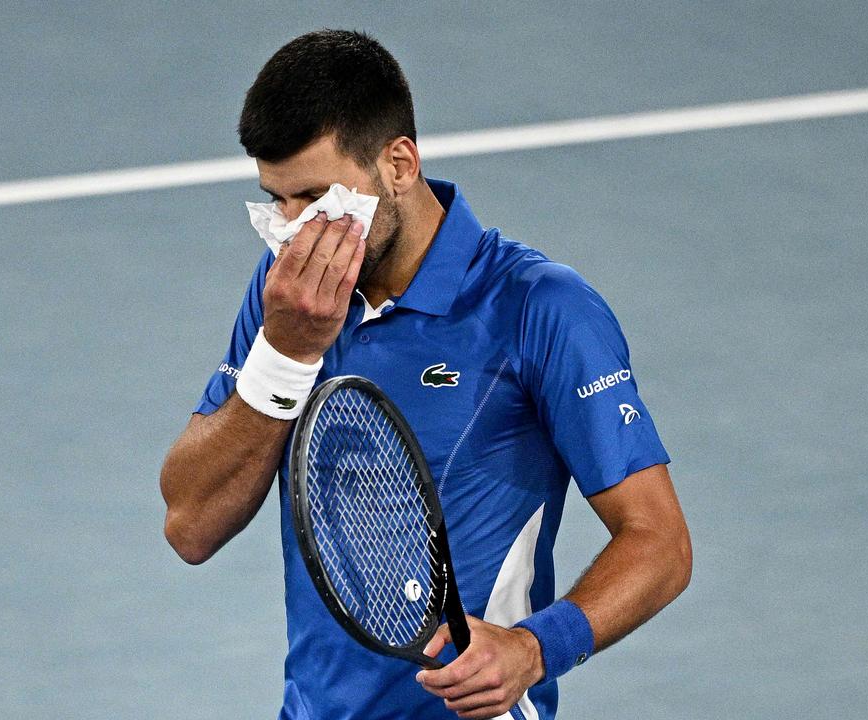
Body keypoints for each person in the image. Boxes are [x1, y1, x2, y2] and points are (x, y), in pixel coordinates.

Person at [160, 29, 692, 720]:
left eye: (315, 197)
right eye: (277, 200)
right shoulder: (291, 294)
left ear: (399, 164)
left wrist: (535, 649)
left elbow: (660, 541)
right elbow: (190, 525)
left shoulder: (541, 309)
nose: (293, 230)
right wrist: (285, 355)